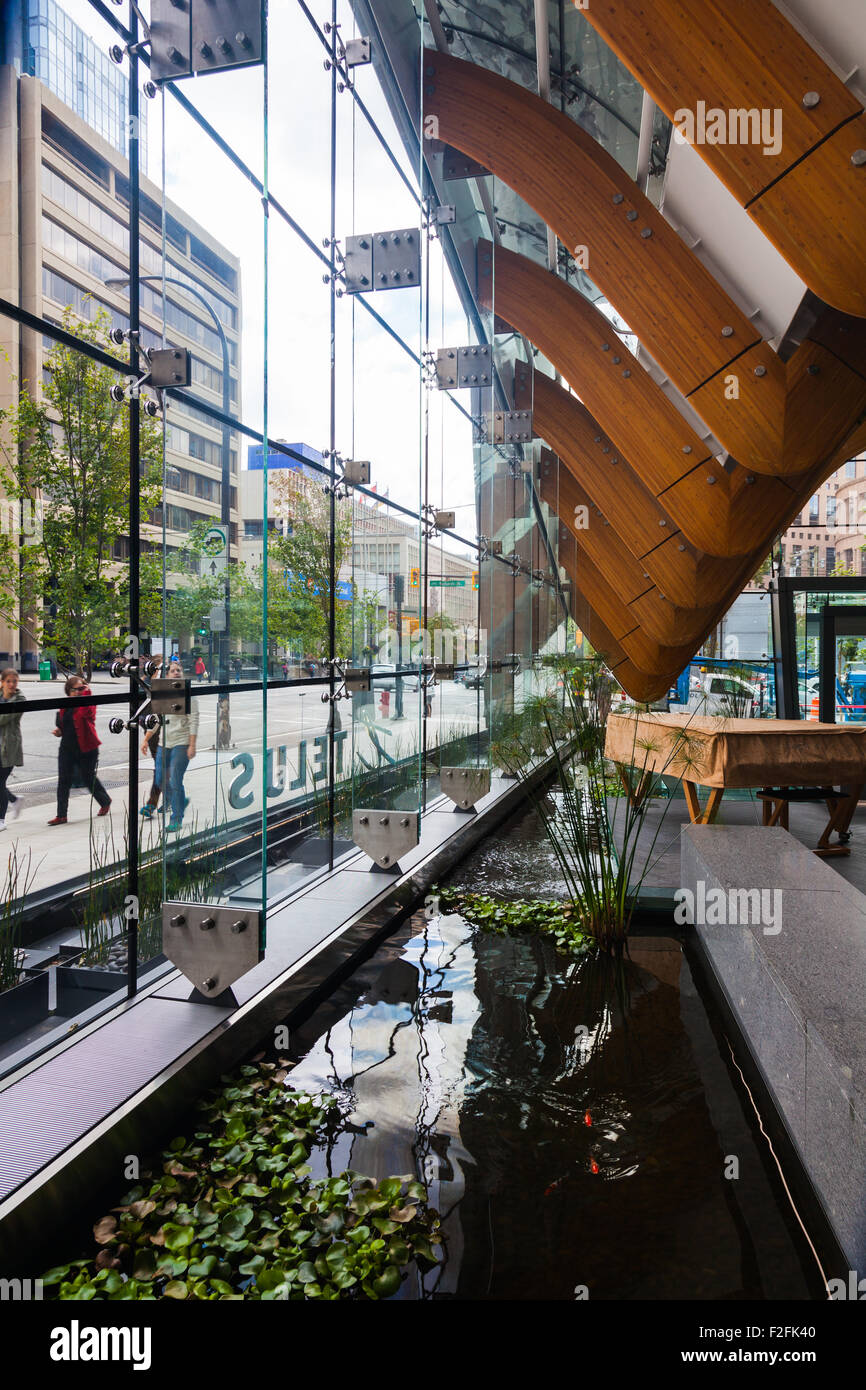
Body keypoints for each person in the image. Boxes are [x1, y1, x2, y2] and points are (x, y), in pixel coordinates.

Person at [48, 675, 111, 824]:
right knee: (63, 780)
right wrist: (59, 731)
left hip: (87, 747)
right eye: (74, 689)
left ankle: (105, 801)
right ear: (68, 691)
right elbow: (65, 725)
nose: (77, 692)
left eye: (81, 688)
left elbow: (85, 714)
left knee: (88, 778)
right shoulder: (64, 705)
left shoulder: (88, 703)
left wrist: (86, 693)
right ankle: (61, 815)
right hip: (67, 747)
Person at [147, 657, 198, 832]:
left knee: (176, 780)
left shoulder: (187, 692)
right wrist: (147, 738)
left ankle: (176, 819)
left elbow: (194, 721)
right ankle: (180, 801)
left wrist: (192, 745)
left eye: (179, 670)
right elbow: (157, 719)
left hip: (182, 742)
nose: (176, 672)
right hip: (164, 742)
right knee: (160, 778)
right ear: (167, 675)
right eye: (173, 670)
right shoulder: (165, 693)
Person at [0, 668, 26, 831]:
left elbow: (2, 719)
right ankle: (15, 800)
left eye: (14, 681)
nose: (11, 684)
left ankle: (1, 820)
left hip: (9, 748)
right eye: (8, 681)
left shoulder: (19, 699)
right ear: (2, 682)